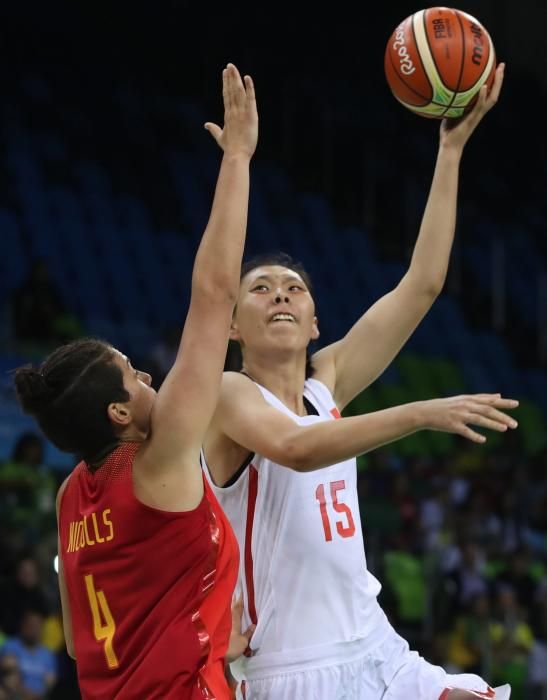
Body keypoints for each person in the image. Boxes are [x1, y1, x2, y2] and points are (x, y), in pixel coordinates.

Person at [202, 65, 514, 699]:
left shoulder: (329, 383)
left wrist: (449, 152)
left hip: (377, 646)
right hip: (292, 669)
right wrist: (417, 413)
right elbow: (295, 447)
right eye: (260, 290)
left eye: (294, 290)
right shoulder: (229, 396)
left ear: (316, 320)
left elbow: (422, 284)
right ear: (233, 324)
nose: (280, 296)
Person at [14, 63, 258, 700]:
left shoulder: (73, 495)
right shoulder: (161, 462)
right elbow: (213, 297)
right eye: (132, 372)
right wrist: (237, 158)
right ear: (120, 413)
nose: (148, 373)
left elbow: (76, 639)